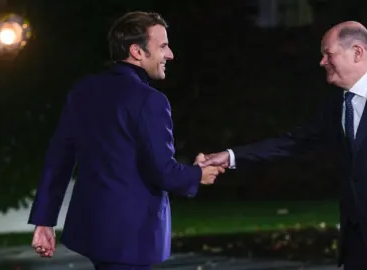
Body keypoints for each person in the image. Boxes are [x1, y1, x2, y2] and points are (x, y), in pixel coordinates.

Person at [198, 21, 367, 270]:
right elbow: (292, 142)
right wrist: (231, 156)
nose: (322, 62)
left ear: (357, 52)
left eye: (328, 54)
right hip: (356, 244)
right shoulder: (335, 105)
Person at [28, 11, 224, 269]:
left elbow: (59, 159)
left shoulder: (84, 90)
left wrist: (45, 220)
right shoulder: (150, 101)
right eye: (163, 46)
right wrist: (199, 175)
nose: (170, 54)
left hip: (93, 233)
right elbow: (163, 173)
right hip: (132, 239)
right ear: (137, 51)